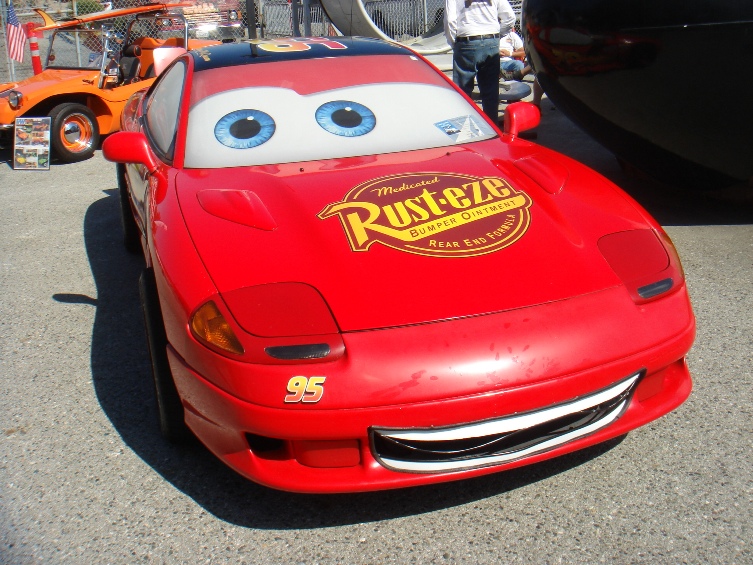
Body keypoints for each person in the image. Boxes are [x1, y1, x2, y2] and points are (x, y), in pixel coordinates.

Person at [444, 0, 516, 121]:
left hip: (466, 41)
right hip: (490, 40)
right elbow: (510, 17)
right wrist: (497, 36)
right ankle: (491, 127)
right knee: (490, 92)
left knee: (462, 91)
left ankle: (463, 126)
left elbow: (450, 21)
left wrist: (454, 43)